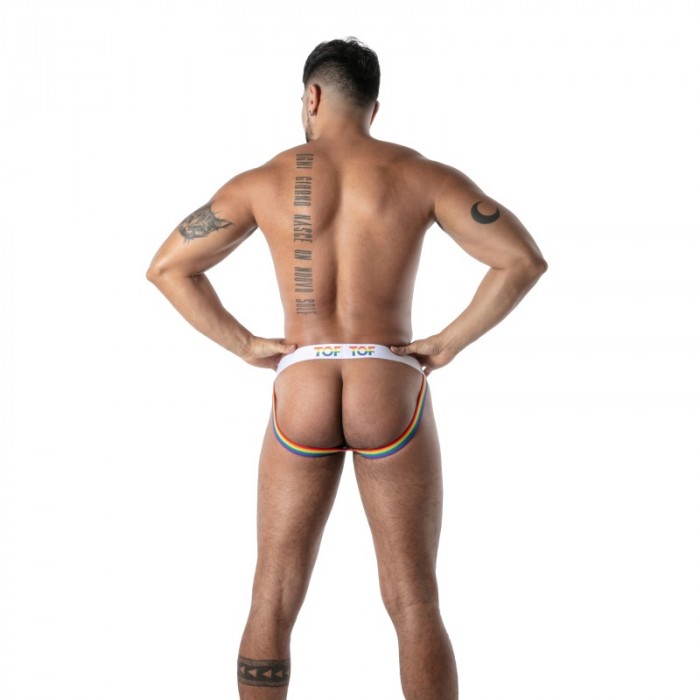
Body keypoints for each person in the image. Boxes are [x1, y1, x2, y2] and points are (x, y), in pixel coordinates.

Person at [146, 37, 547, 700]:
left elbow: (168, 267)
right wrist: (449, 342)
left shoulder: (262, 180)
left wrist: (245, 344)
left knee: (272, 592)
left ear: (312, 96)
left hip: (302, 376)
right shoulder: (420, 174)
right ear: (373, 107)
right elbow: (521, 260)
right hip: (387, 377)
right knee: (413, 598)